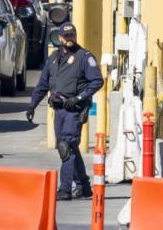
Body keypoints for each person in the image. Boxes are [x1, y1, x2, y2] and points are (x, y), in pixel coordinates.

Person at [26, 23, 103, 200]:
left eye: (72, 35)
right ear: (60, 38)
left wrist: (79, 98)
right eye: (67, 36)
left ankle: (65, 189)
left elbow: (97, 81)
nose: (70, 39)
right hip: (59, 110)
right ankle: (83, 186)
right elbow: (43, 84)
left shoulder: (84, 57)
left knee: (66, 147)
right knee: (70, 148)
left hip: (74, 110)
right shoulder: (54, 58)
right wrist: (32, 105)